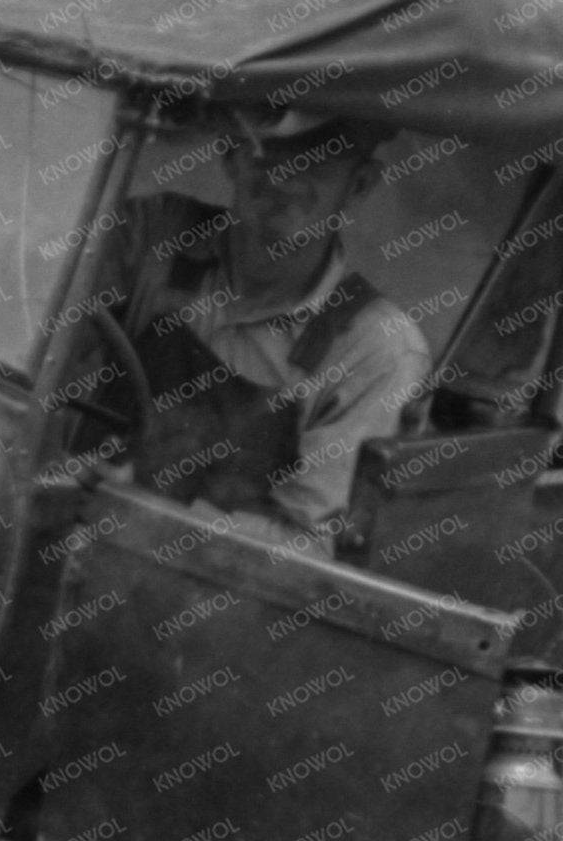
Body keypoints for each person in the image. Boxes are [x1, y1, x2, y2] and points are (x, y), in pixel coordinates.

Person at [114, 107, 430, 552]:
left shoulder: (377, 349)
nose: (286, 178)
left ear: (358, 184)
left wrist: (144, 513)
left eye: (319, 161)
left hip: (215, 596)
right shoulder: (154, 234)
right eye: (267, 153)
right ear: (230, 156)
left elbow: (309, 550)